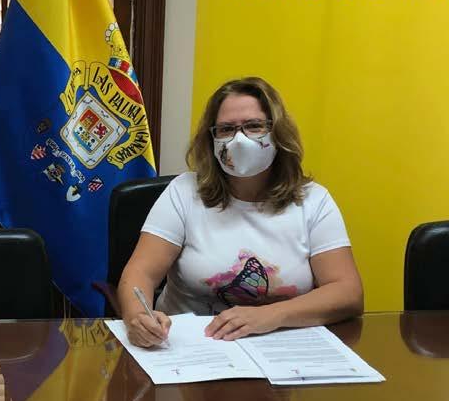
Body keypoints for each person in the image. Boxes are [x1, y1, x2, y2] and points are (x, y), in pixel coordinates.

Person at [118, 77, 363, 347]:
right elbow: (140, 272)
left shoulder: (313, 200)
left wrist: (272, 315)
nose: (239, 139)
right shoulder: (184, 192)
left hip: (281, 346)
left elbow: (347, 292)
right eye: (226, 129)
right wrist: (138, 317)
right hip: (189, 346)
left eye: (254, 126)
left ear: (278, 133)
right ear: (211, 139)